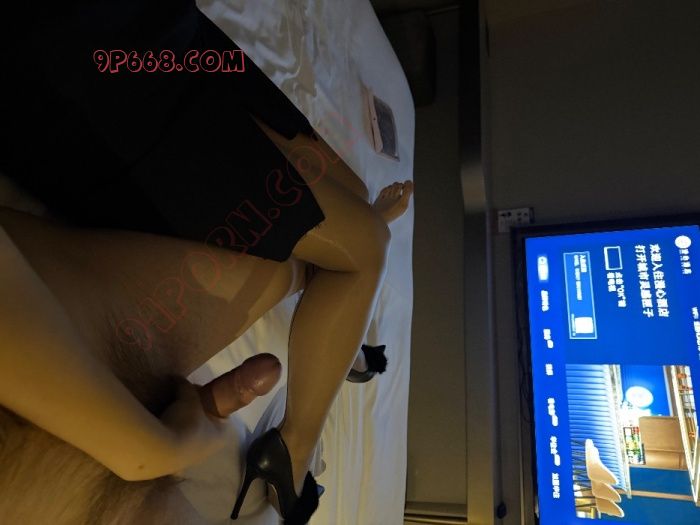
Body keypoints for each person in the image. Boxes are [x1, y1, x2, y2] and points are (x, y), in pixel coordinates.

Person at [0, 1, 414, 523]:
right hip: (125, 72)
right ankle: (295, 444)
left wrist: (148, 449)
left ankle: (335, 326)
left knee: (352, 203)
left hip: (132, 52)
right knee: (363, 244)